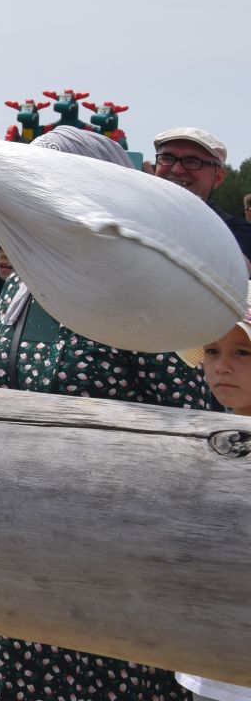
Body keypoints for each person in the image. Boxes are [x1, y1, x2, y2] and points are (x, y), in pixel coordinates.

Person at [0, 126, 222, 700]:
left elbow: (189, 427)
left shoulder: (140, 290)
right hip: (5, 545)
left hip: (106, 566)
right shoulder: (26, 282)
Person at [177, 297, 251, 701]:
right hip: (210, 649)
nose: (222, 366)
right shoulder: (206, 436)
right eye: (212, 351)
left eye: (243, 352)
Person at [150, 127, 251, 263]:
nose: (176, 169)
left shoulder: (236, 231)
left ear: (218, 177)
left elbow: (233, 271)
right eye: (167, 158)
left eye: (192, 161)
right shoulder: (134, 213)